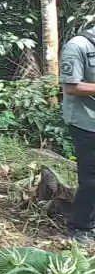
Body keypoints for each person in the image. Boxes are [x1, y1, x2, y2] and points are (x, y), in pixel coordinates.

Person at [59, 28, 95, 245]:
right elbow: (71, 86)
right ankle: (79, 227)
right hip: (85, 121)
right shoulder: (78, 46)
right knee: (91, 178)